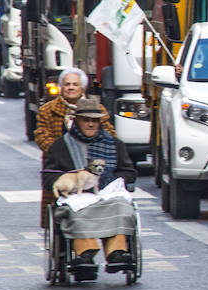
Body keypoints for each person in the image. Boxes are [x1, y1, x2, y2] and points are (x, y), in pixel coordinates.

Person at [42, 98, 137, 277]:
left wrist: (113, 183)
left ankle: (116, 253)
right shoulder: (61, 146)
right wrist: (66, 181)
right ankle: (84, 254)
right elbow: (49, 177)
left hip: (106, 195)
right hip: (77, 196)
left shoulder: (115, 144)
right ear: (77, 120)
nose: (91, 124)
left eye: (94, 120)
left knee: (121, 206)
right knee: (75, 209)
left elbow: (128, 171)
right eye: (86, 120)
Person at [35, 67, 116, 226]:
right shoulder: (47, 110)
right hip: (60, 166)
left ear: (83, 88)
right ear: (61, 87)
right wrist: (63, 153)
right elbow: (41, 136)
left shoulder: (98, 109)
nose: (71, 87)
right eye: (67, 84)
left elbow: (110, 134)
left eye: (75, 84)